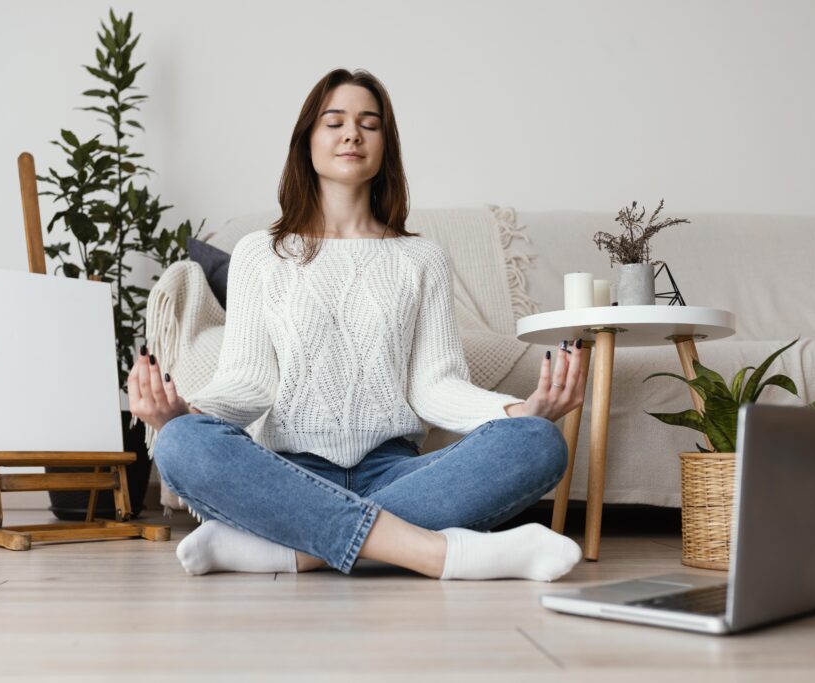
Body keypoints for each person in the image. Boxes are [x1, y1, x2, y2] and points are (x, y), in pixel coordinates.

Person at [128, 68, 587, 580]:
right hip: (287, 473)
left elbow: (435, 387)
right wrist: (187, 412)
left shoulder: (421, 258)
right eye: (335, 122)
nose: (352, 134)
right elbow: (249, 382)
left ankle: (287, 550)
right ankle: (439, 554)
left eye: (369, 123)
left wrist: (518, 410)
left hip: (397, 471)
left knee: (538, 441)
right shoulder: (261, 254)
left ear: (385, 146)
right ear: (307, 141)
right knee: (180, 444)